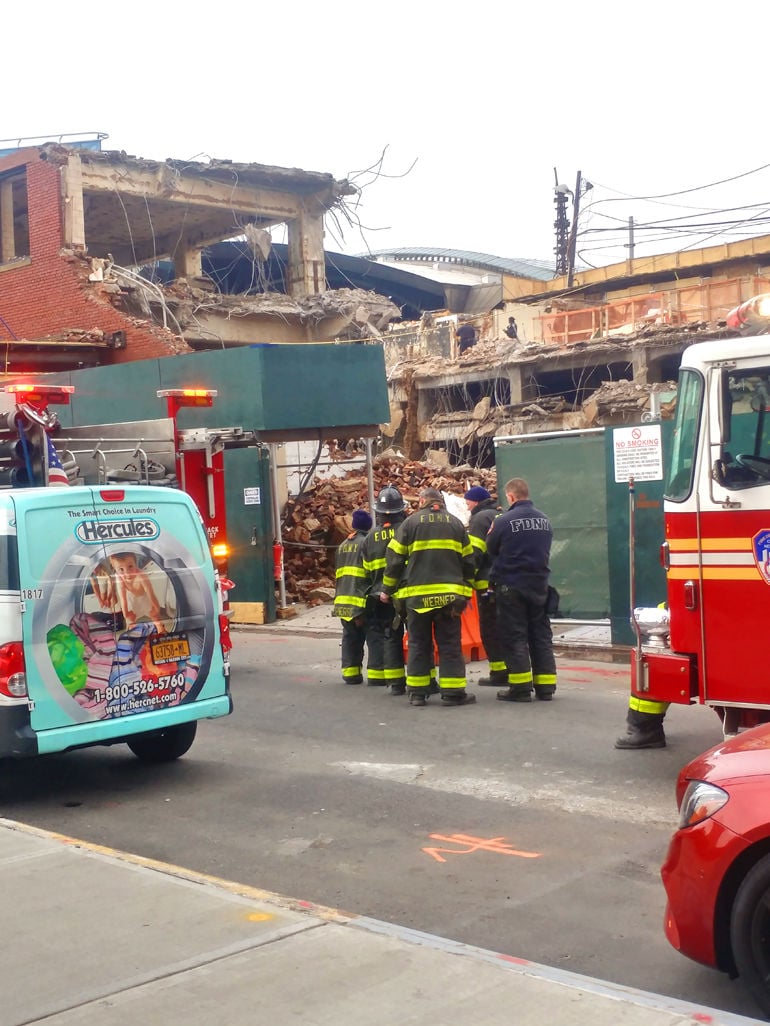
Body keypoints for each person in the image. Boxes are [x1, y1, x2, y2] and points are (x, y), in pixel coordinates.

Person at [380, 487, 476, 707]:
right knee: (450, 644)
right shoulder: (456, 524)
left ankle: (417, 693)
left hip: (417, 599)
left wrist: (387, 589)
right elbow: (469, 561)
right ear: (440, 501)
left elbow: (394, 560)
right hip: (449, 600)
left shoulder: (410, 524)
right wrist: (466, 588)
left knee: (418, 644)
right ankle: (453, 693)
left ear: (422, 500)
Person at [486, 478, 557, 702]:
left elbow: (491, 548)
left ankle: (520, 688)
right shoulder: (545, 520)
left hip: (512, 585)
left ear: (511, 497)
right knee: (541, 635)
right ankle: (546, 687)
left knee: (515, 635)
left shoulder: (504, 521)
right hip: (539, 585)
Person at [361, 486, 408, 693]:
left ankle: (395, 683)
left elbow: (367, 570)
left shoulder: (370, 538)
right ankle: (425, 682)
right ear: (401, 510)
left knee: (390, 636)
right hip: (406, 593)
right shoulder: (407, 530)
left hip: (381, 596)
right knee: (417, 637)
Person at [463, 486, 506, 687]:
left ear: (477, 501)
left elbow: (475, 553)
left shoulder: (479, 519)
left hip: (486, 584)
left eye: (468, 501)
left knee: (489, 628)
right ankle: (511, 668)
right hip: (505, 581)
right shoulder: (500, 515)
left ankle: (498, 673)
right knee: (505, 627)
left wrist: (466, 578)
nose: (467, 505)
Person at [332, 508, 372, 685]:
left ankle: (350, 674)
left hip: (343, 601)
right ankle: (377, 674)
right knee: (372, 637)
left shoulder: (342, 546)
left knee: (350, 638)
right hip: (360, 600)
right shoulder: (367, 543)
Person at [107, 551, 168, 635]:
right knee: (130, 620)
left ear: (136, 564)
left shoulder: (141, 575)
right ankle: (132, 636)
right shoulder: (119, 578)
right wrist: (126, 614)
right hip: (131, 599)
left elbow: (150, 593)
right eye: (121, 569)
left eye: (130, 566)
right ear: (115, 569)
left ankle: (161, 631)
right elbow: (123, 598)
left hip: (145, 598)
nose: (127, 573)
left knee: (155, 616)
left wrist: (156, 608)